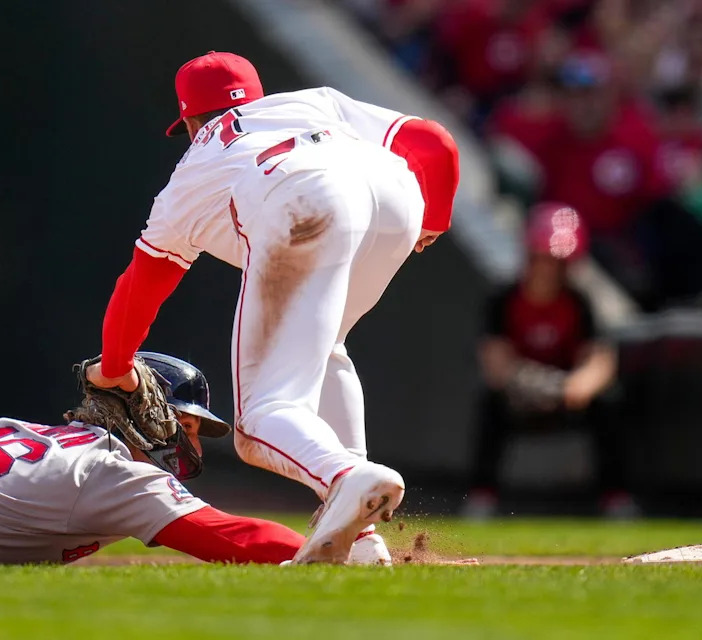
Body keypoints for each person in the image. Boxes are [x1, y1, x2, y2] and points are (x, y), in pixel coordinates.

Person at [83, 52, 460, 563]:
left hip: (298, 193)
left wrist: (113, 369)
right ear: (257, 97)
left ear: (191, 121)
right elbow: (434, 142)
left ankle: (345, 475)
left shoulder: (191, 173)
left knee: (260, 420)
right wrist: (433, 218)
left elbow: (139, 289)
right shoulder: (312, 103)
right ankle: (364, 542)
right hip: (395, 194)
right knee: (328, 352)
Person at [0, 353, 396, 565]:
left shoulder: (38, 433)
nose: (192, 444)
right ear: (154, 411)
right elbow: (227, 534)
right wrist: (324, 549)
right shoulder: (116, 473)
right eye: (189, 425)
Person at [463, 203, 638, 519]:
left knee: (608, 404)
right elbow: (494, 359)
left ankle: (616, 498)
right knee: (490, 405)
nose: (547, 269)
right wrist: (524, 382)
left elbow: (599, 359)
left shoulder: (579, 301)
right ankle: (481, 496)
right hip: (521, 391)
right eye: (542, 259)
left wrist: (575, 387)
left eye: (555, 262)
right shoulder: (504, 298)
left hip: (567, 394)